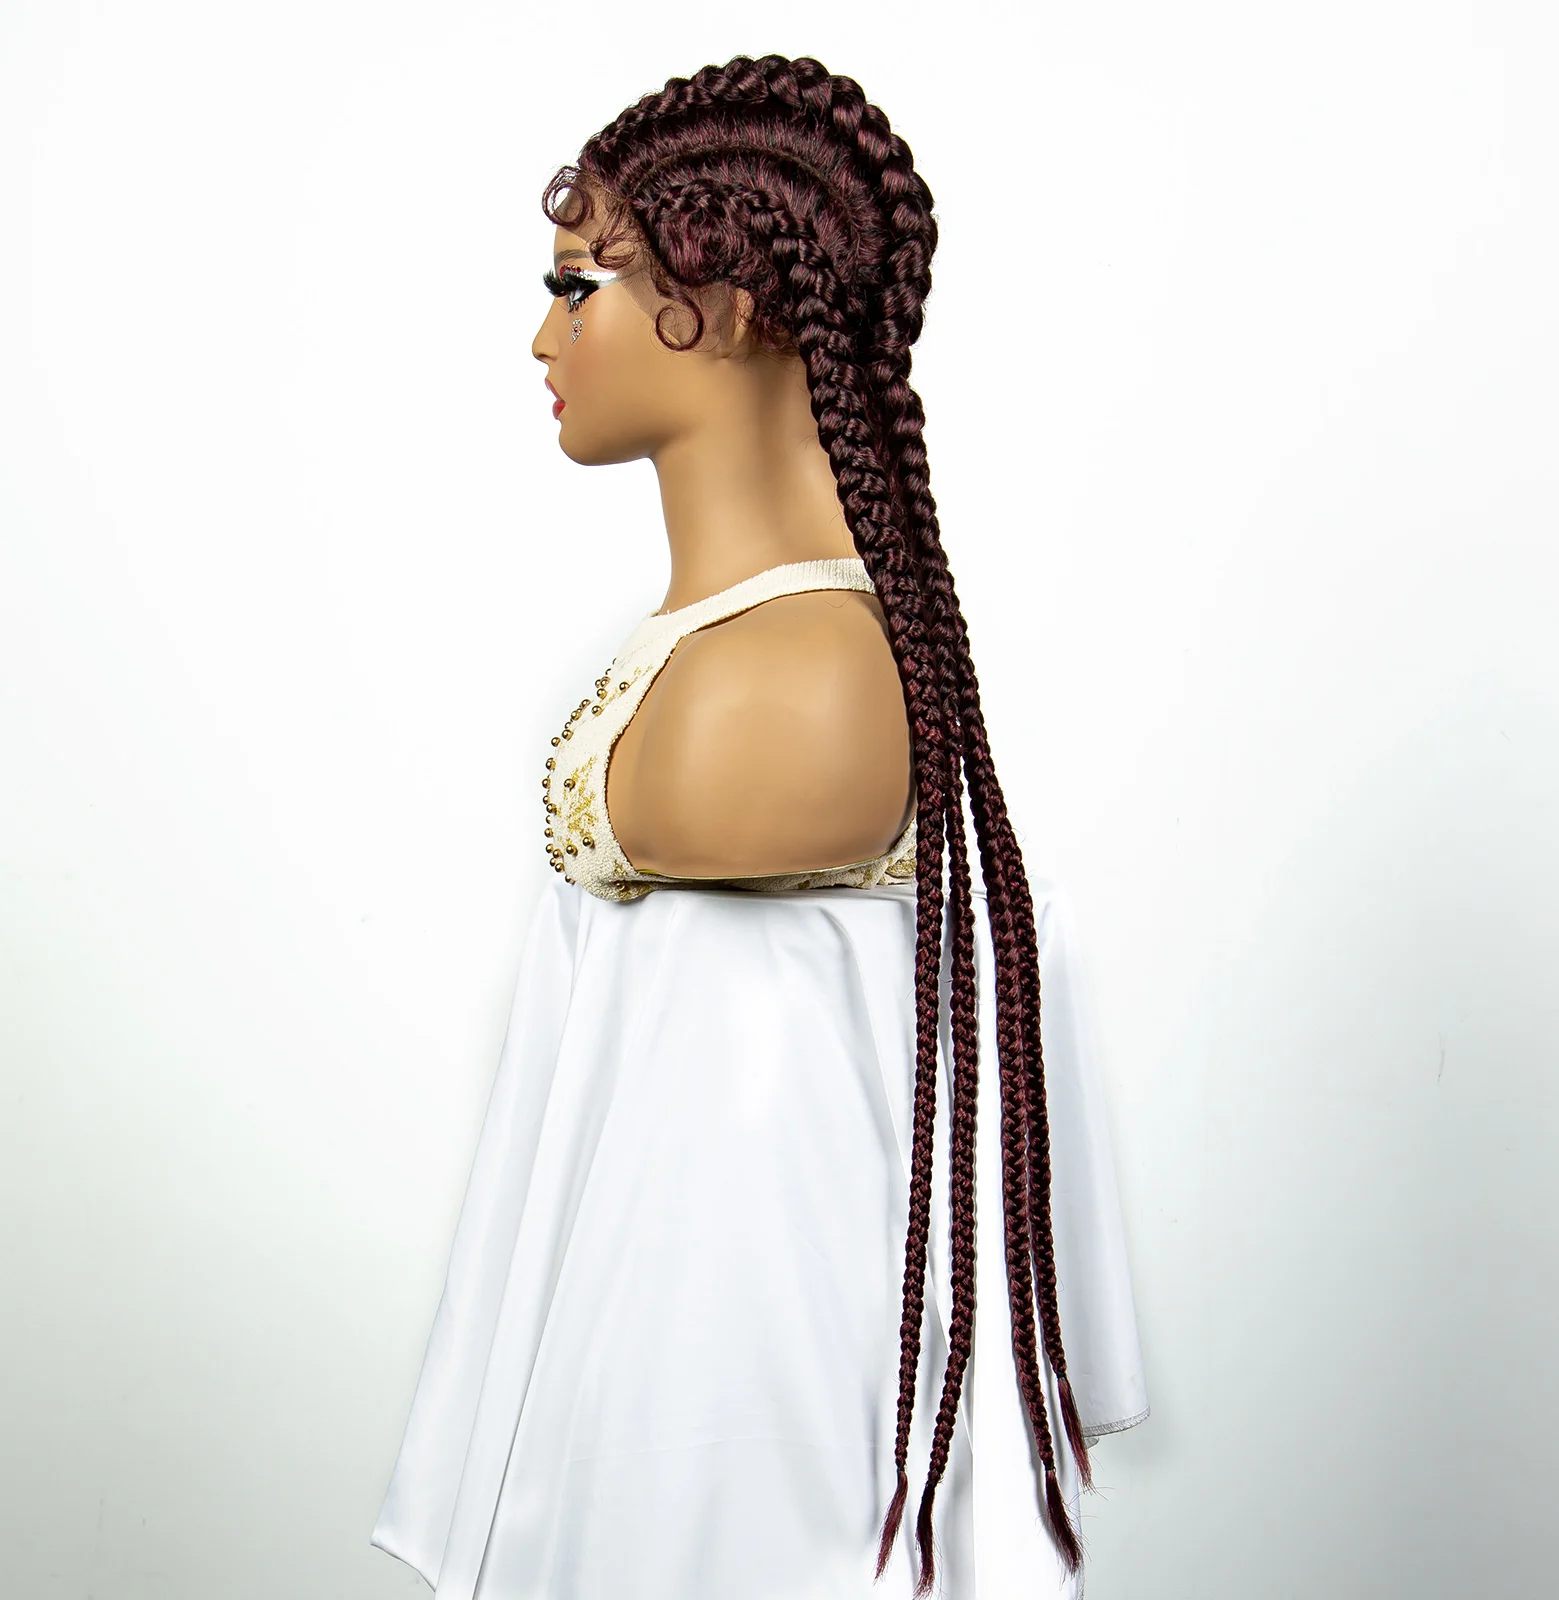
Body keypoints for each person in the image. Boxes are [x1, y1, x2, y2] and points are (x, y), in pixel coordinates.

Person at [371, 53, 1148, 1600]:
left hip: (749, 1412)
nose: (543, 335)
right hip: (670, 1347)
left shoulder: (796, 684)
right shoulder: (759, 651)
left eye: (576, 287)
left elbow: (740, 1210)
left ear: (725, 307)